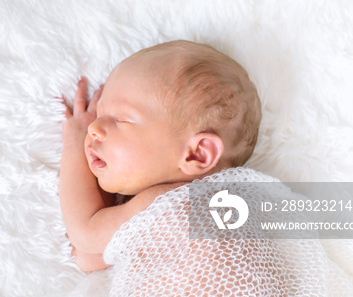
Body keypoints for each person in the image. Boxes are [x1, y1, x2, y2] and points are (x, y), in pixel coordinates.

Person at [59, 40, 271, 294]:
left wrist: (74, 142)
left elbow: (85, 235)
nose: (94, 128)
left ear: (197, 154)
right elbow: (89, 255)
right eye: (100, 113)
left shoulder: (172, 205)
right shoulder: (222, 212)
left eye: (120, 119)